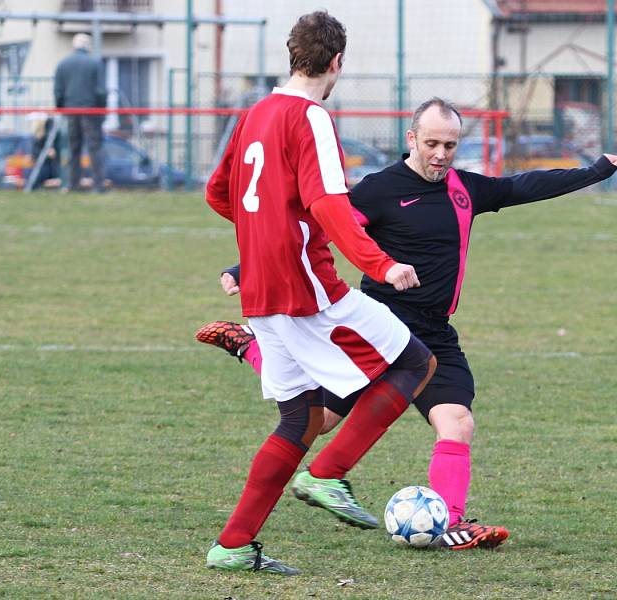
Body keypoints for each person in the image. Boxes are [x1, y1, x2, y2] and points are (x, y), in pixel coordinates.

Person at [198, 97, 617, 551]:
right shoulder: (379, 190)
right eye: (431, 143)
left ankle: (449, 525)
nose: (441, 154)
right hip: (380, 329)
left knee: (458, 423)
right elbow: (316, 229)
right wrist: (243, 269)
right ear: (411, 139)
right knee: (317, 422)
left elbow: (523, 185)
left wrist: (595, 171)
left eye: (450, 144)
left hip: (435, 332)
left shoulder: (465, 190)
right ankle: (253, 349)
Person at [201, 12, 436, 576]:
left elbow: (219, 193)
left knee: (300, 418)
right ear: (337, 63)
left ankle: (233, 545)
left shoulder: (255, 113)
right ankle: (328, 473)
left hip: (261, 295)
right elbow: (330, 204)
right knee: (414, 363)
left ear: (291, 56)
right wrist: (382, 264)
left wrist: (260, 243)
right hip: (310, 291)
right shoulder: (311, 118)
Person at [54, 33, 106, 193]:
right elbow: (100, 91)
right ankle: (98, 186)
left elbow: (58, 92)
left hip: (70, 111)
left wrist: (61, 108)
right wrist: (101, 111)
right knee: (94, 148)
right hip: (90, 111)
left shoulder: (63, 64)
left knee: (73, 148)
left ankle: (71, 184)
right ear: (87, 46)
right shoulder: (94, 63)